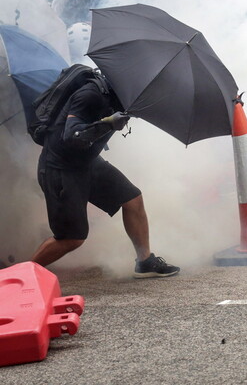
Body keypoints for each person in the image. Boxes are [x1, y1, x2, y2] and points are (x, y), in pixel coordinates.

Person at [32, 73, 180, 279]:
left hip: (88, 163)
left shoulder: (121, 98)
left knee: (132, 199)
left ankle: (145, 261)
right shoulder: (90, 95)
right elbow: (71, 136)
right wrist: (108, 124)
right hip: (60, 169)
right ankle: (18, 276)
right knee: (71, 239)